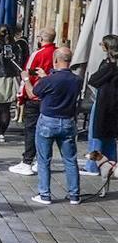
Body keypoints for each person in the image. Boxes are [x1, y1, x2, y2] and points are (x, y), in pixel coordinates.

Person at [29, 47, 83, 205]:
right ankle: (74, 195)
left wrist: (26, 79)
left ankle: (45, 194)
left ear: (55, 61)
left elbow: (34, 93)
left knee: (44, 159)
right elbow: (61, 87)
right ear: (70, 61)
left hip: (48, 120)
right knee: (70, 159)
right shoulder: (77, 80)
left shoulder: (48, 80)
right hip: (67, 121)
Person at [11, 28, 58, 176]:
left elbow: (27, 74)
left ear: (40, 38)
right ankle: (41, 162)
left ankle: (27, 162)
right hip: (52, 99)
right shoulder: (57, 54)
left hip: (36, 96)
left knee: (31, 130)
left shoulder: (37, 54)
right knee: (47, 132)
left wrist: (21, 96)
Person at [85, 34, 118, 175]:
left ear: (106, 47)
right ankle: (112, 165)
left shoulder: (109, 65)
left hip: (104, 102)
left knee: (96, 135)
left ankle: (93, 166)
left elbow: (93, 80)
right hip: (115, 104)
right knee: (110, 136)